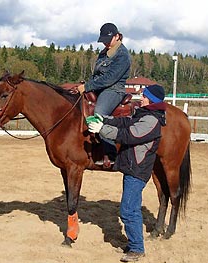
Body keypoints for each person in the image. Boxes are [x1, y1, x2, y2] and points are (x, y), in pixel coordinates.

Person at [86, 84, 167, 262]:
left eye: (145, 96)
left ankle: (137, 248)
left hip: (137, 171)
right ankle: (134, 244)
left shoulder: (151, 121)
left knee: (128, 210)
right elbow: (124, 122)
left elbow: (129, 135)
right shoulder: (144, 114)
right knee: (132, 207)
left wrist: (101, 129)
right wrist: (104, 119)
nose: (141, 97)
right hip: (131, 168)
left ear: (152, 100)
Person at [77, 22, 131, 165]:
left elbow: (109, 78)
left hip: (113, 89)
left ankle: (110, 151)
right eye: (104, 41)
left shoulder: (122, 55)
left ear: (117, 36)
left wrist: (88, 86)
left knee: (99, 113)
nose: (106, 44)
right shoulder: (104, 53)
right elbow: (97, 75)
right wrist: (86, 86)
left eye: (108, 40)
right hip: (99, 87)